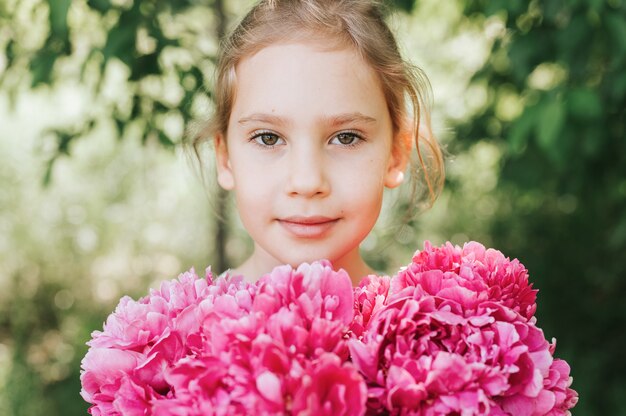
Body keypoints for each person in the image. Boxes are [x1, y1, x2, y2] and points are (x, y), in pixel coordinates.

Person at [187, 0, 444, 286]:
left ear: (396, 154)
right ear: (225, 158)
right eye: (268, 138)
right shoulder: (174, 326)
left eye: (346, 138)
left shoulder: (432, 323)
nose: (307, 182)